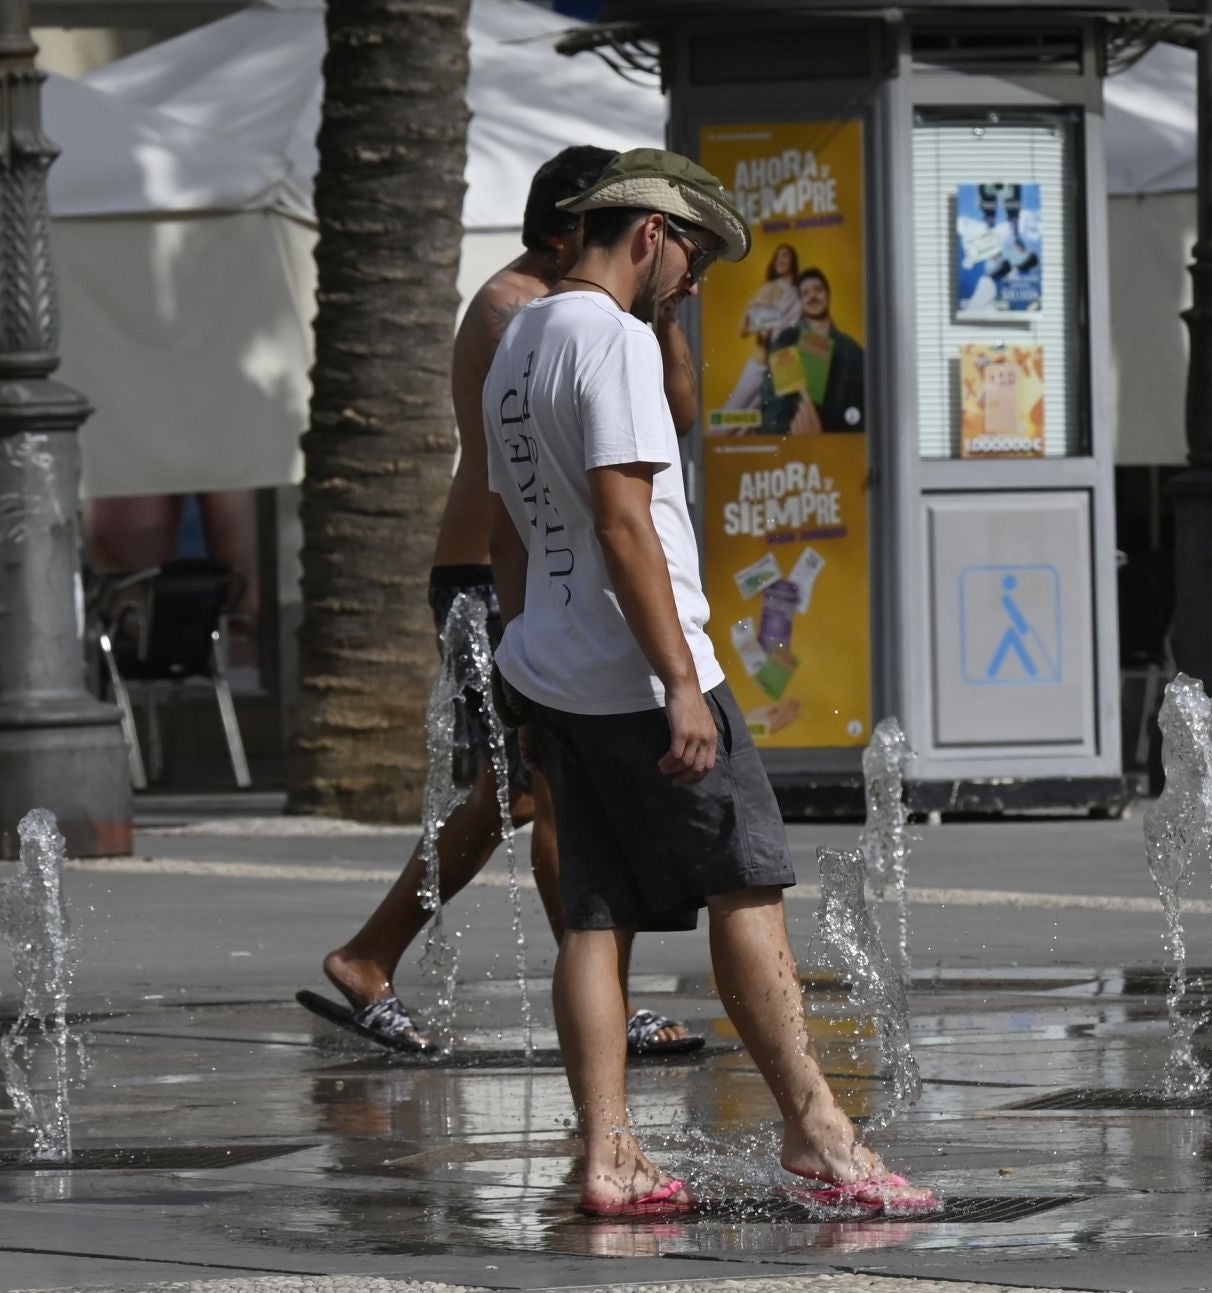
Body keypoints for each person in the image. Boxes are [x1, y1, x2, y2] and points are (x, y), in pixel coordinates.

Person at [484, 148, 938, 1217]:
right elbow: (622, 520)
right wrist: (680, 682)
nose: (695, 282)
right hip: (642, 673)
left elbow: (508, 522)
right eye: (693, 256)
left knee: (594, 916)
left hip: (552, 667)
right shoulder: (609, 342)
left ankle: (609, 1157)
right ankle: (819, 1136)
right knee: (749, 884)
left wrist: (520, 653)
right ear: (648, 233)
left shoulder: (519, 339)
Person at [306, 146, 701, 1059]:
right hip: (487, 573)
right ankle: (397, 959)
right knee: (533, 791)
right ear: (570, 230)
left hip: (535, 574)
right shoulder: (515, 311)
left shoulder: (604, 316)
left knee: (533, 791)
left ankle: (380, 956)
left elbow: (675, 420)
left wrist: (669, 314)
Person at [760, 267, 866, 436]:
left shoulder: (853, 351)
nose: (812, 296)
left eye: (818, 290)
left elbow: (866, 411)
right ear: (801, 302)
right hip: (792, 447)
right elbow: (773, 404)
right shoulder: (786, 342)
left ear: (828, 296)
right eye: (805, 293)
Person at [718, 242, 801, 415]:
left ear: (793, 260)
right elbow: (745, 326)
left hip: (788, 360)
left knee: (781, 413)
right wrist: (763, 326)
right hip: (763, 360)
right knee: (738, 407)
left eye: (785, 255)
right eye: (777, 257)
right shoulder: (769, 289)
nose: (780, 260)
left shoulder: (800, 292)